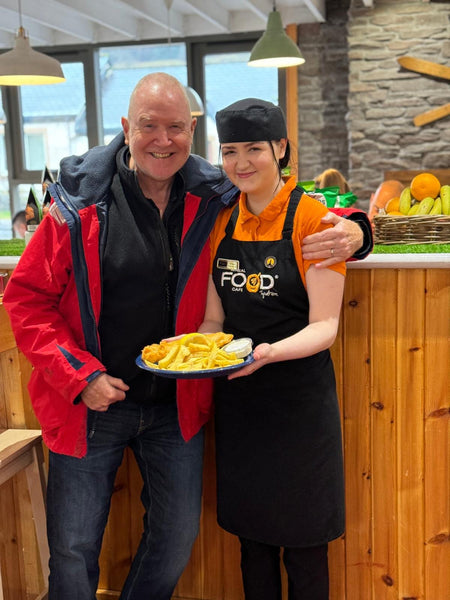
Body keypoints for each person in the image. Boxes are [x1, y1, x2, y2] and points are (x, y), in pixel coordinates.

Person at [3, 75, 371, 600]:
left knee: (176, 540)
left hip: (178, 405)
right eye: (148, 126)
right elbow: (26, 300)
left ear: (192, 132)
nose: (162, 139)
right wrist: (80, 376)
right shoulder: (77, 203)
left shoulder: (213, 193)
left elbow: (289, 198)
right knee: (72, 548)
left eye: (176, 127)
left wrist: (359, 229)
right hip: (92, 403)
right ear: (126, 128)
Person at [198, 98, 349, 599]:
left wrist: (265, 354)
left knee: (305, 548)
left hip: (299, 405)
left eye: (254, 149)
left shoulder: (316, 221)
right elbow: (215, 319)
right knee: (253, 543)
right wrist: (200, 349)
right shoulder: (223, 221)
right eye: (230, 151)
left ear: (281, 148)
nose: (241, 163)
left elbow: (325, 325)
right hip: (241, 407)